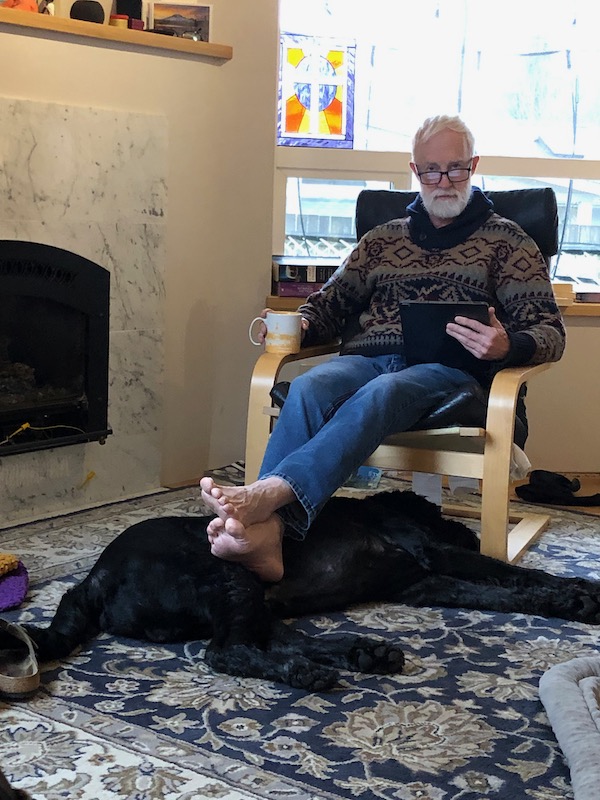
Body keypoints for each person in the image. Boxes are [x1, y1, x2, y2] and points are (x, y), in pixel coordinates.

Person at [201, 114, 566, 582]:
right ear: (415, 171)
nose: (444, 181)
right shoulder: (380, 241)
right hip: (366, 359)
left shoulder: (509, 242)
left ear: (473, 166)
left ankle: (266, 499)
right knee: (311, 385)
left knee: (386, 390)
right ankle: (270, 536)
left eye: (456, 168)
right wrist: (295, 328)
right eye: (432, 170)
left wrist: (506, 344)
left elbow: (551, 333)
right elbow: (327, 306)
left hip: (448, 375)